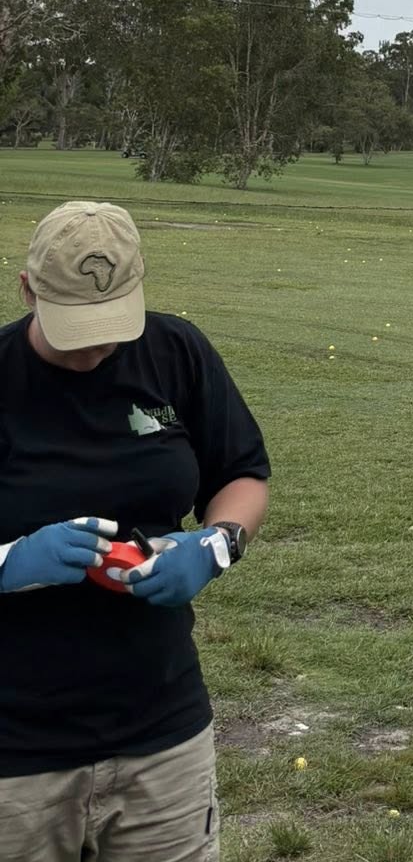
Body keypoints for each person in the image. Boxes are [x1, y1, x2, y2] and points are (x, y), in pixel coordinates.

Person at [0, 200, 270, 860]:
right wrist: (8, 560)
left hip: (161, 729)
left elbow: (242, 475)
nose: (96, 346)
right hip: (15, 751)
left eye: (112, 323)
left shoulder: (176, 351)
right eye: (75, 326)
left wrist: (217, 543)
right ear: (29, 289)